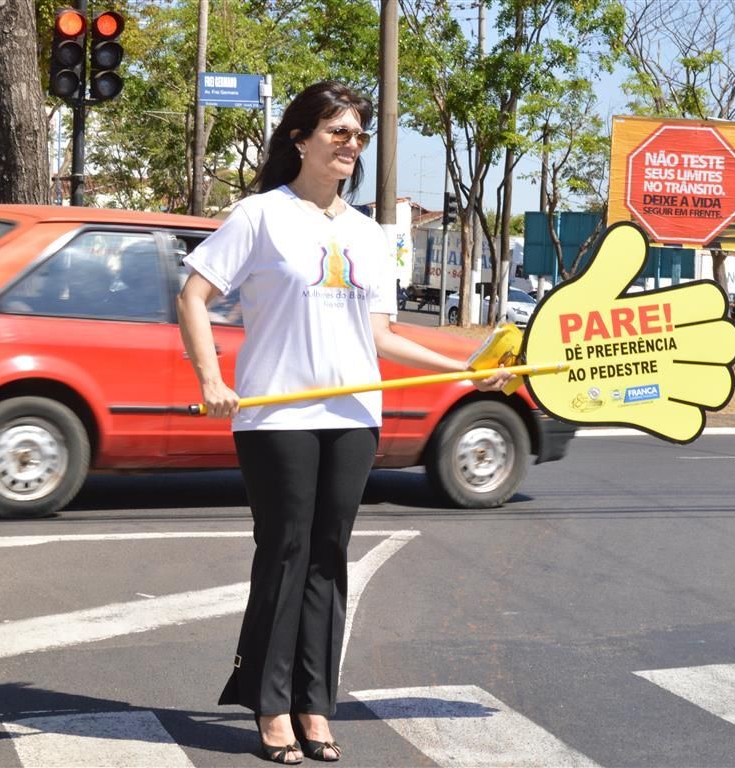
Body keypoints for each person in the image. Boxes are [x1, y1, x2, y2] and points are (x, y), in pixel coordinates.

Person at [177, 80, 509, 765]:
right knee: (286, 553)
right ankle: (270, 706)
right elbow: (194, 295)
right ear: (300, 139)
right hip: (277, 416)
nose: (351, 145)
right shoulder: (260, 216)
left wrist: (466, 368)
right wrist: (211, 378)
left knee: (329, 557)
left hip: (354, 415)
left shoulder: (366, 233)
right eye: (338, 131)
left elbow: (382, 335)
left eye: (359, 134)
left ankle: (314, 703)